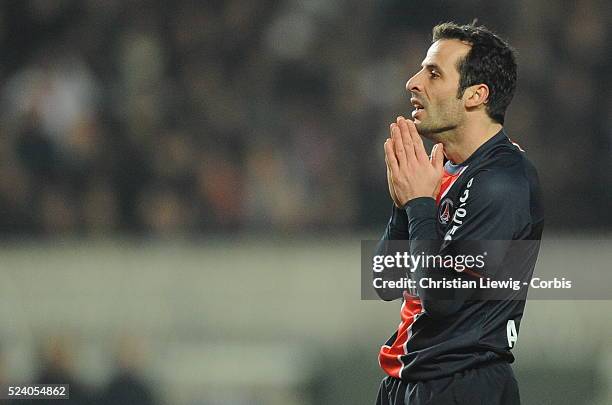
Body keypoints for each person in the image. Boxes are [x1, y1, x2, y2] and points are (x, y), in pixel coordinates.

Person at [373, 22, 544, 404]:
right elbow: (384, 282)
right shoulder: (442, 171)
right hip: (408, 381)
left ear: (475, 95)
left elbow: (444, 297)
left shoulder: (503, 180)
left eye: (433, 73)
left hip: (462, 385)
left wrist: (418, 205)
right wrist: (405, 202)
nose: (413, 82)